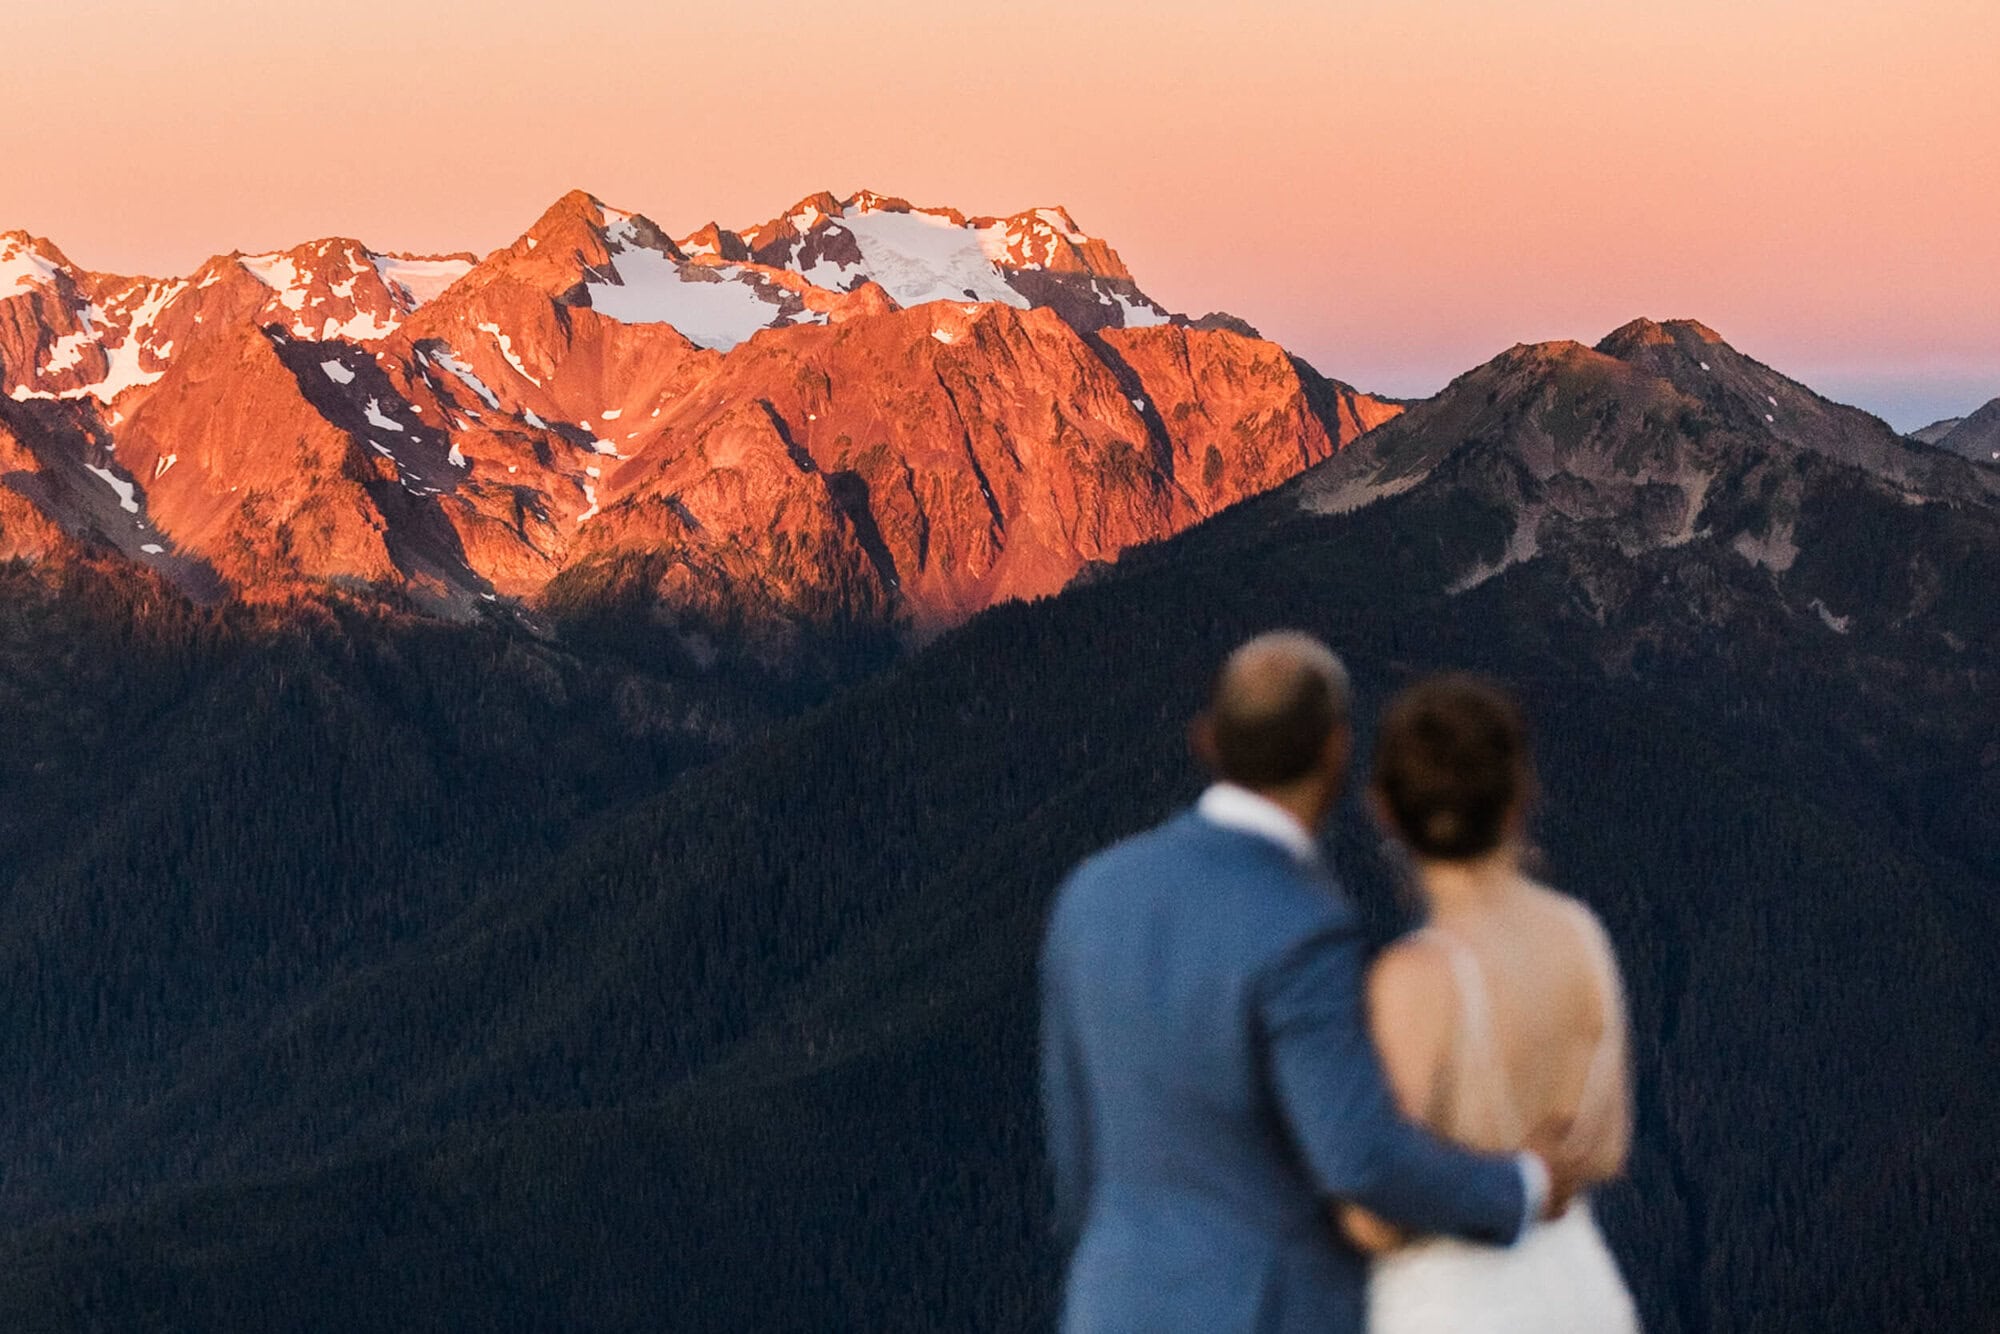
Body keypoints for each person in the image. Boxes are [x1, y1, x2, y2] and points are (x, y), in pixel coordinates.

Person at [1039, 633, 1580, 1334]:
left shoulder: (1093, 892)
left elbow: (1073, 1140)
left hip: (1111, 1304)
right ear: (1334, 752)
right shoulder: (1301, 926)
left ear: (1208, 740)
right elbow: (1357, 1156)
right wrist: (1524, 1186)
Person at [1344, 674, 1639, 1333]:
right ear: (1518, 798)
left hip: (1461, 1306)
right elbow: (1608, 1149)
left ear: (1385, 807)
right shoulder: (1579, 937)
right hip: (1582, 1293)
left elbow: (1378, 1207)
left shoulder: (1416, 979)